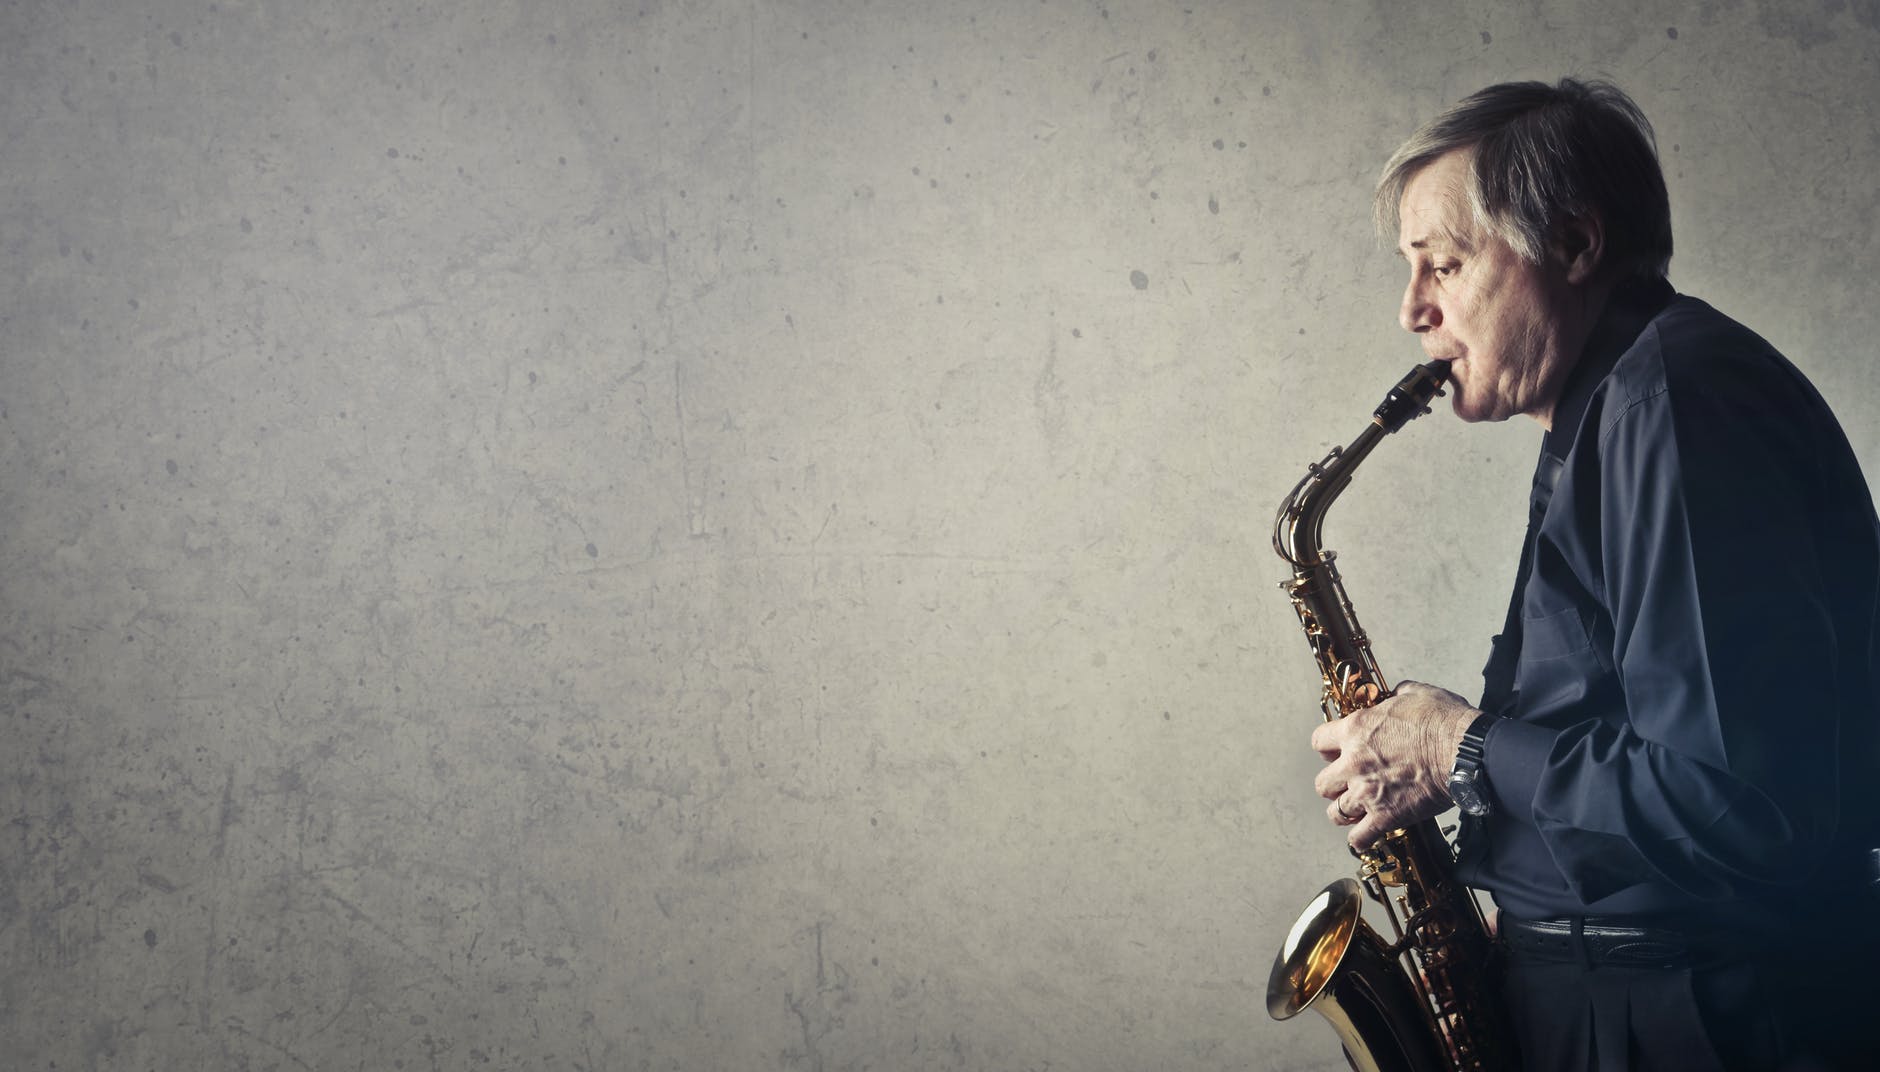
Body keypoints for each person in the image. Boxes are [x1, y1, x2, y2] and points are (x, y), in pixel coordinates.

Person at [1305, 78, 1880, 1071]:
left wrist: (1455, 745)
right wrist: (1533, 914)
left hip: (1695, 1017)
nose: (1412, 310)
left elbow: (1738, 805)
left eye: (1444, 264)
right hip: (1628, 999)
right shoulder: (1609, 409)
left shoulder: (1674, 403)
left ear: (1574, 245)